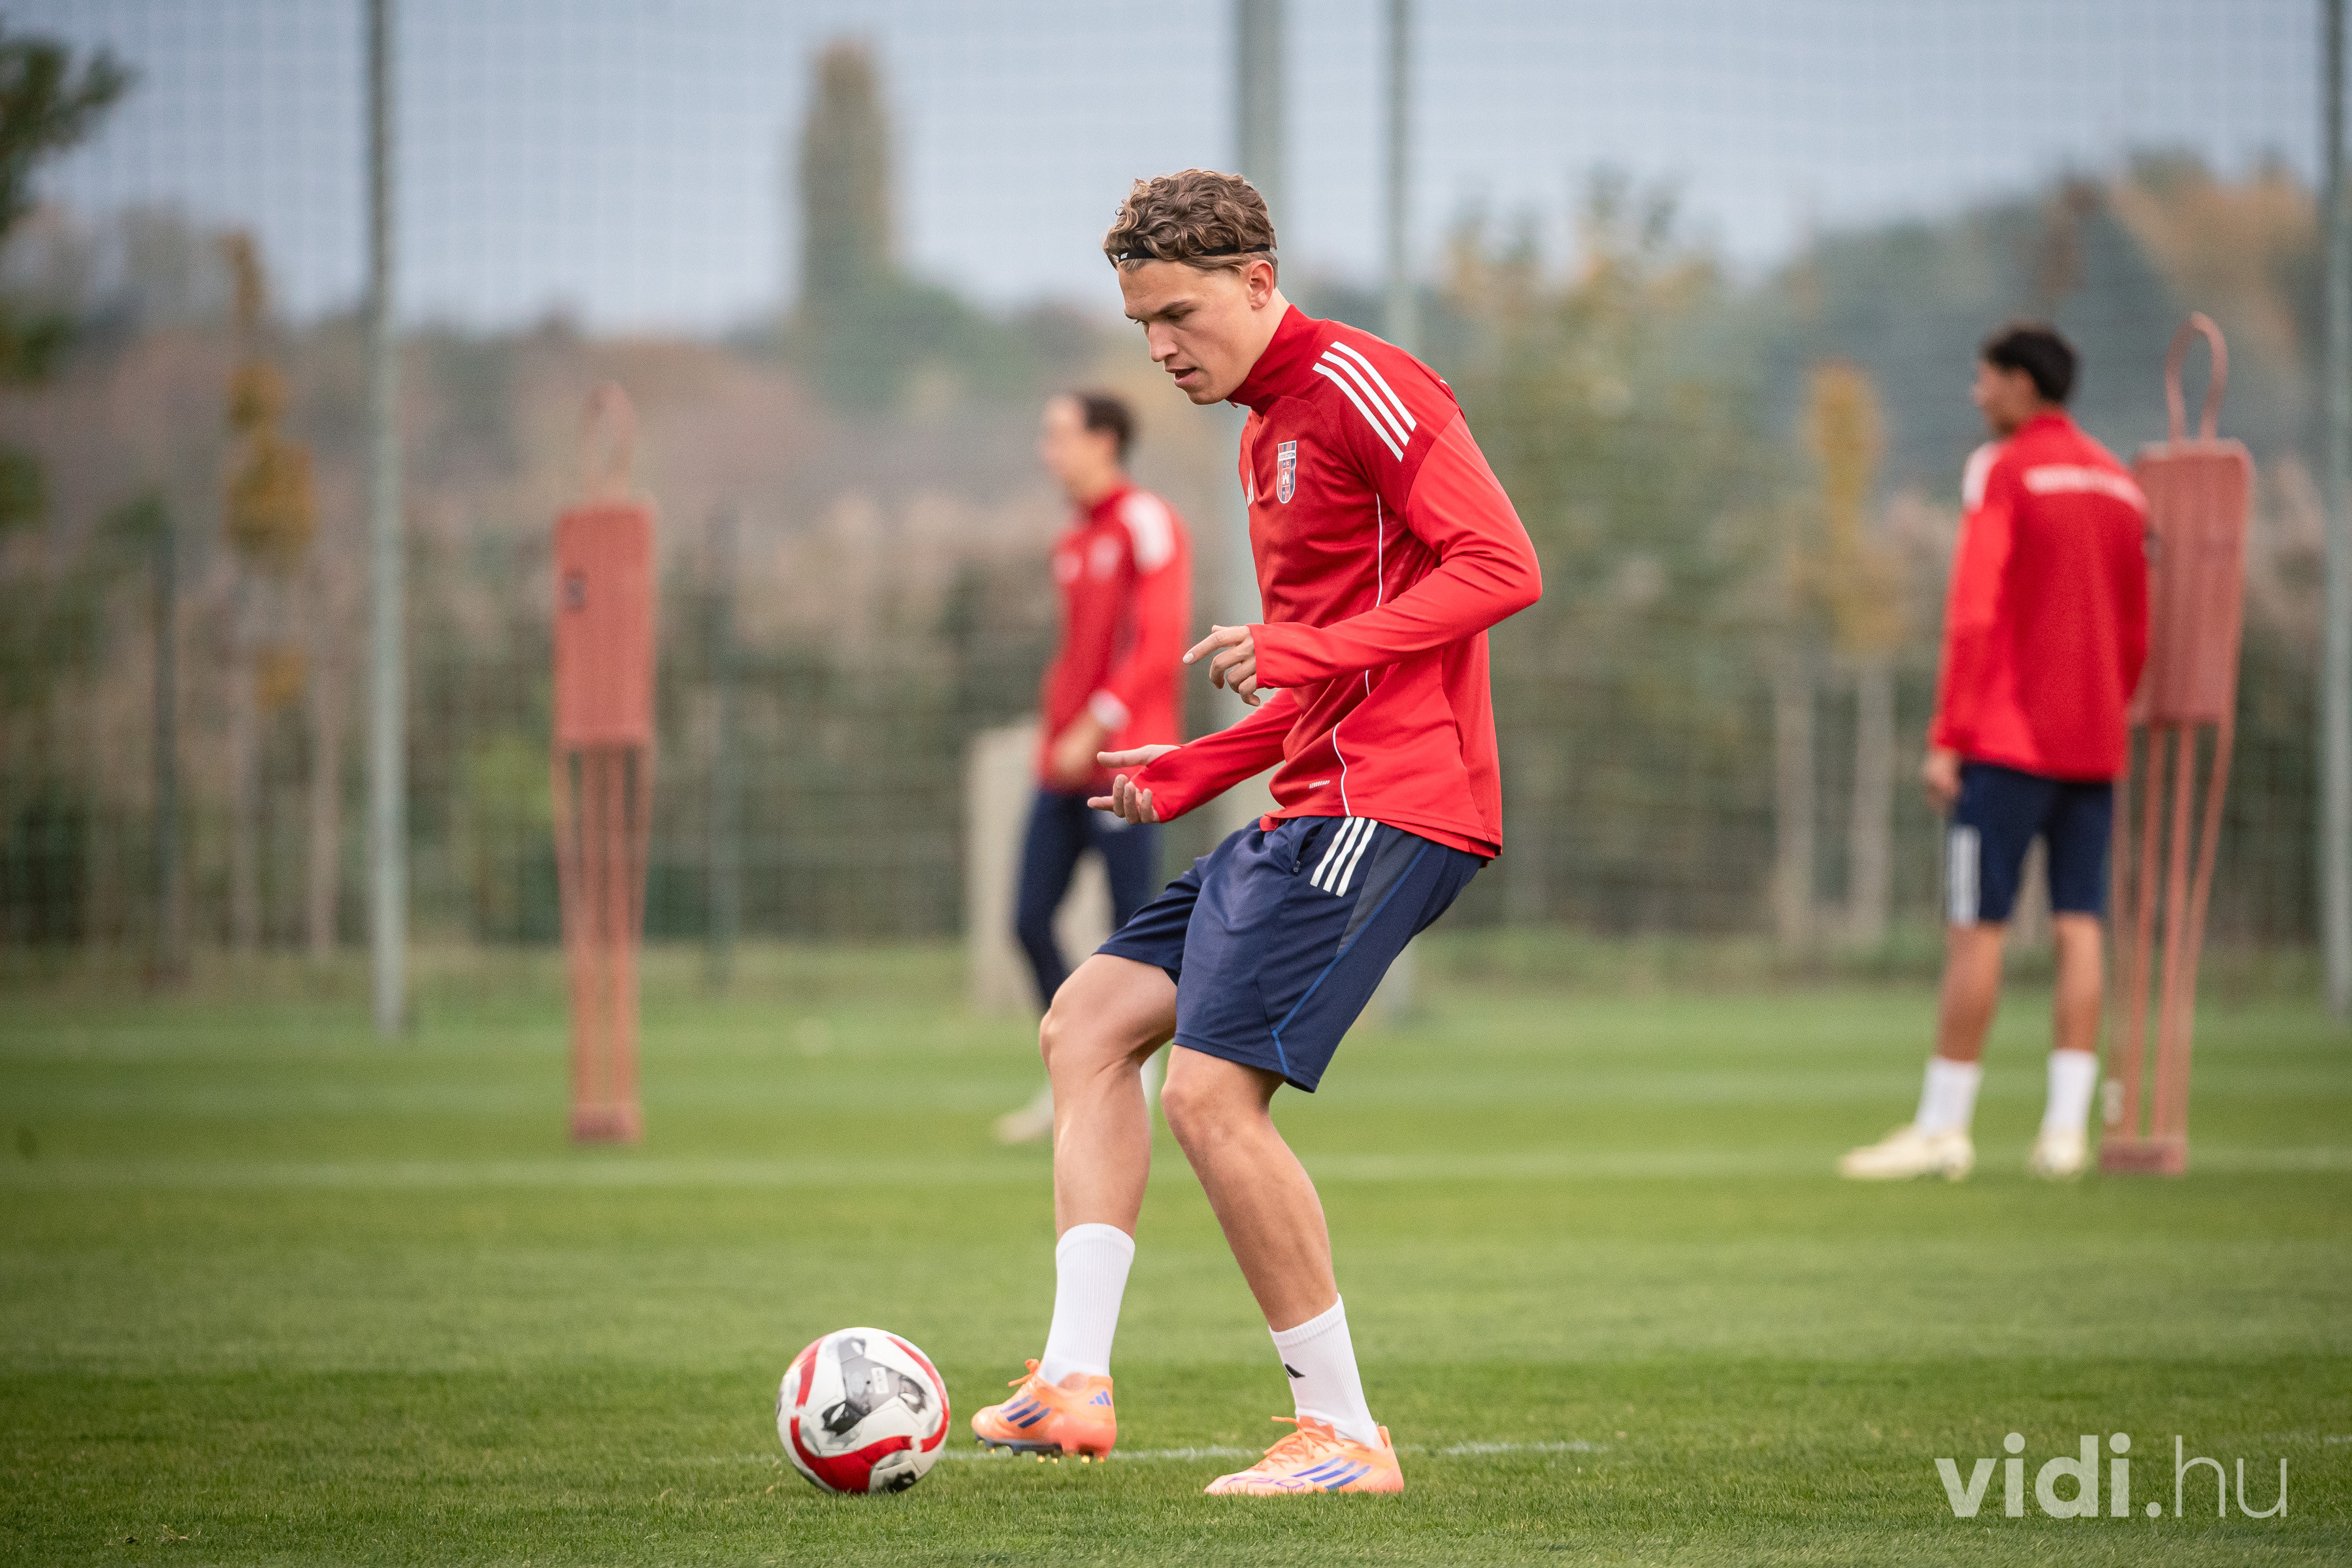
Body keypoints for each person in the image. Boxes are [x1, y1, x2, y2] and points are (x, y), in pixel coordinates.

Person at [969, 169, 1541, 1495]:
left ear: (1259, 283)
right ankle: (1073, 1383)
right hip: (1313, 796)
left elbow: (1503, 567)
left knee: (1213, 1097)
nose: (1162, 348)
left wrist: (1301, 653)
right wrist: (1199, 766)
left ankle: (1344, 1436)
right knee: (1085, 1025)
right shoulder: (1259, 428)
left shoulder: (1364, 385)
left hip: (1393, 801)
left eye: (1179, 314)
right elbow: (1322, 674)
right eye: (1142, 326)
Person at [1840, 322, 2148, 1183]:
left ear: (2022, 384)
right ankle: (2064, 1134)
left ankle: (1944, 1129)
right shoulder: (2121, 484)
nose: (1977, 395)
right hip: (2094, 746)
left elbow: (1974, 611)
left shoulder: (2003, 470)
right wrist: (2106, 709)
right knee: (2080, 925)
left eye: (1985, 379)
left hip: (2010, 744)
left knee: (1977, 928)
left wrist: (1949, 738)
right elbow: (2137, 628)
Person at [992, 391, 1192, 1145]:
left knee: (1130, 924)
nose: (1047, 450)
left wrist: (1097, 722)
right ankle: (1079, 1061)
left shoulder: (1146, 520)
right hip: (1064, 765)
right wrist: (1057, 734)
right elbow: (1074, 654)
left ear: (1105, 441)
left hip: (1126, 762)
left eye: (1059, 435)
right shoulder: (1073, 539)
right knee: (1027, 920)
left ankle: (1130, 1072)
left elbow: (1161, 640)